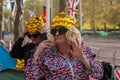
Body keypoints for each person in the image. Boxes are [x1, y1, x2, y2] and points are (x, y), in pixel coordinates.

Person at [25, 12, 104, 80]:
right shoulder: (46, 54)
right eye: (54, 31)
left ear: (71, 33)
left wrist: (82, 57)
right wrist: (36, 54)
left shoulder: (84, 50)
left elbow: (99, 74)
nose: (56, 34)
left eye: (61, 31)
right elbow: (31, 77)